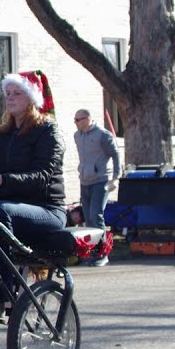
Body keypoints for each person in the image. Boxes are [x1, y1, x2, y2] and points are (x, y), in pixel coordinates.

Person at [0, 70, 67, 312]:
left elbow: (42, 177)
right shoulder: (1, 135)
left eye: (17, 93)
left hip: (47, 210)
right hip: (7, 209)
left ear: (32, 98)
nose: (10, 98)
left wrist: (0, 180)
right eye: (8, 93)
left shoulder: (48, 131)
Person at [73, 108, 121, 267]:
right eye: (75, 120)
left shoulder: (103, 134)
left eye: (78, 120)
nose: (75, 123)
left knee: (96, 215)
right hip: (85, 180)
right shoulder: (77, 136)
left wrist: (115, 178)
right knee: (88, 217)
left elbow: (115, 155)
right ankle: (92, 252)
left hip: (101, 180)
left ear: (87, 119)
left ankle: (103, 253)